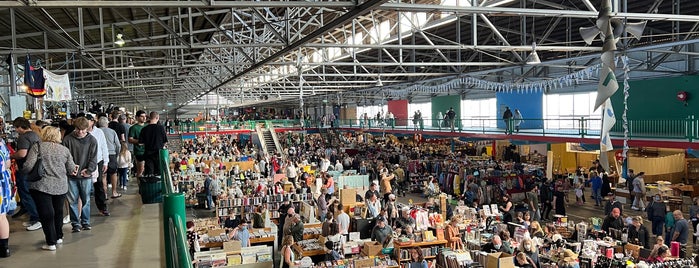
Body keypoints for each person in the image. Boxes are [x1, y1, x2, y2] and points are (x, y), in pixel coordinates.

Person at [22, 126, 77, 251]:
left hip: (41, 186)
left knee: (46, 214)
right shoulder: (64, 150)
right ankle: (58, 236)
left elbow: (28, 166)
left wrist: (23, 170)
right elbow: (71, 169)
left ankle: (50, 242)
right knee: (58, 212)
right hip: (61, 186)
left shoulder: (38, 147)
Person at [62, 117, 99, 233]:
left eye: (84, 130)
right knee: (72, 201)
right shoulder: (67, 140)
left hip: (85, 176)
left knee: (86, 200)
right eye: (78, 129)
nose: (81, 132)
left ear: (87, 129)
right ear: (75, 128)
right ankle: (75, 224)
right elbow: (64, 157)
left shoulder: (92, 140)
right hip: (71, 176)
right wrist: (70, 169)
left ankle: (86, 222)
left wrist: (88, 170)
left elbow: (94, 158)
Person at [11, 117, 42, 231]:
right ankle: (36, 217)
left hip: (25, 169)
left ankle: (36, 218)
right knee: (34, 194)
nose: (16, 130)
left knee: (26, 194)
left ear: (19, 127)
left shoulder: (23, 137)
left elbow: (22, 154)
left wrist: (12, 155)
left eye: (16, 128)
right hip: (36, 168)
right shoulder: (35, 135)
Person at [138, 111, 168, 176]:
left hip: (148, 154)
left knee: (149, 174)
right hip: (158, 154)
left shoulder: (144, 129)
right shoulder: (161, 128)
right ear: (157, 118)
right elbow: (165, 142)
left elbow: (140, 143)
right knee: (158, 174)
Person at [0, 138, 12, 257]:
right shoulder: (1, 142)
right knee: (2, 216)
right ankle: (4, 249)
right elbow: (7, 163)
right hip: (2, 183)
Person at [128, 110, 147, 178]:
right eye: (142, 116)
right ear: (137, 117)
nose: (144, 118)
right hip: (139, 151)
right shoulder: (133, 128)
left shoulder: (147, 126)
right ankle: (140, 187)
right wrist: (139, 141)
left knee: (147, 170)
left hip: (148, 151)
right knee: (141, 170)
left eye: (145, 116)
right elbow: (130, 139)